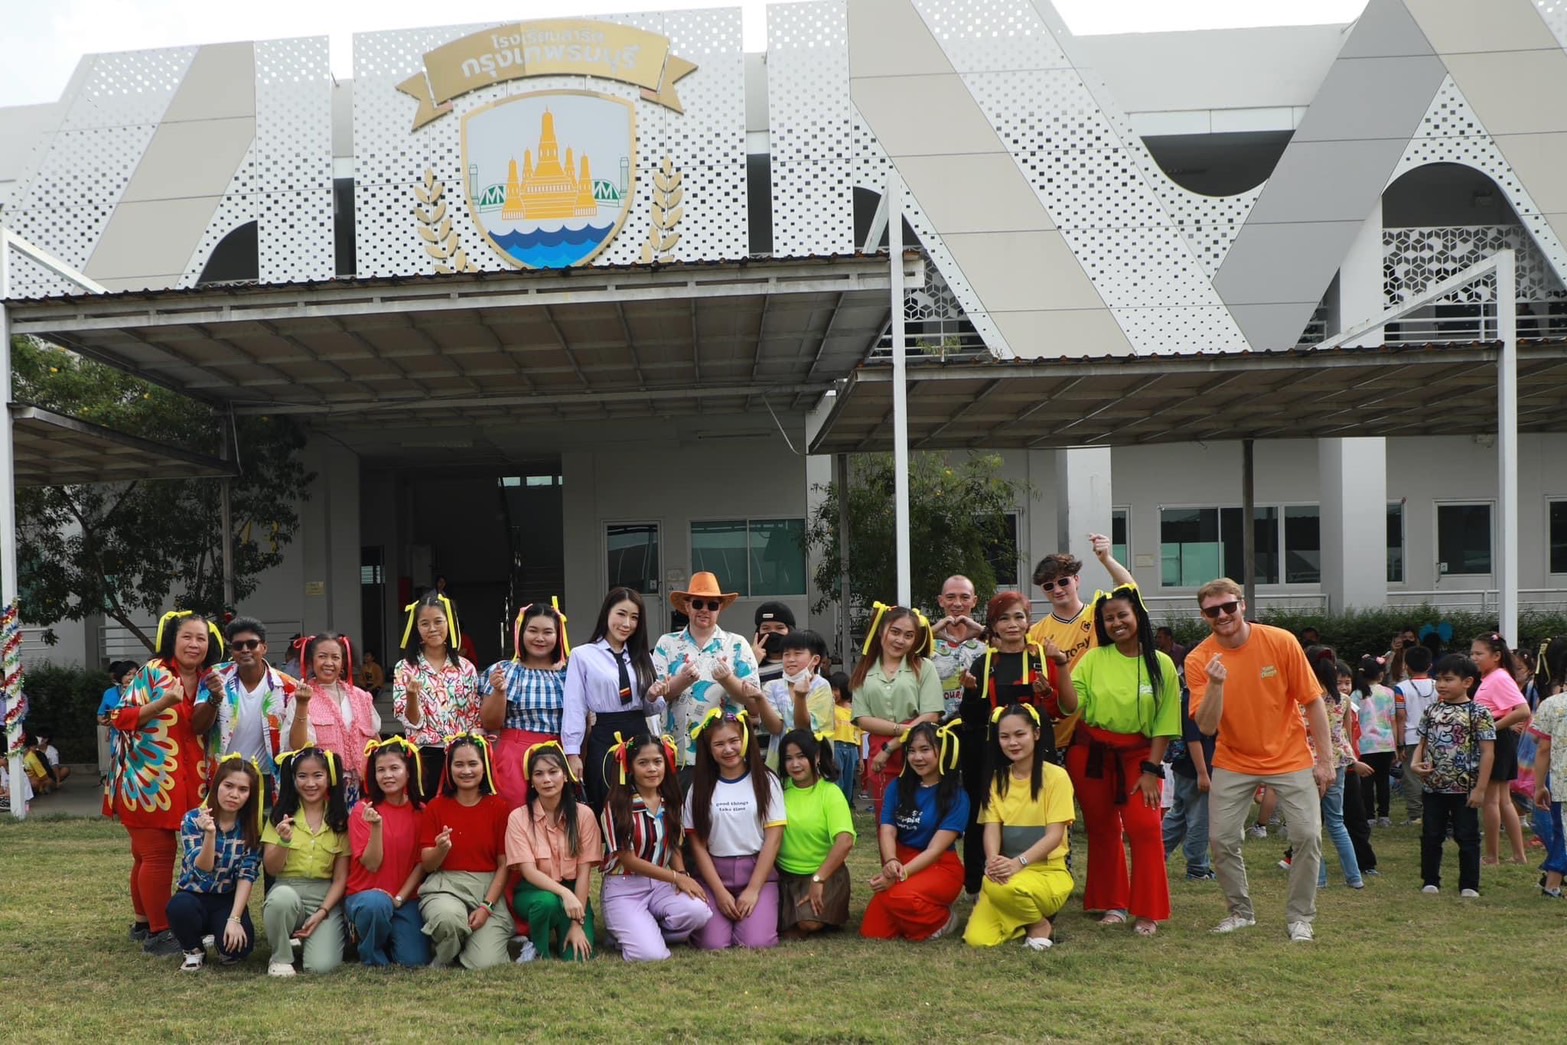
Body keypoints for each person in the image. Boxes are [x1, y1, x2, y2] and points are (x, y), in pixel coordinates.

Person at [1186, 579, 1334, 942]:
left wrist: (1325, 760)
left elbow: (1312, 701)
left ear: (1243, 605)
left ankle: (1300, 918)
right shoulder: (1199, 659)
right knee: (1221, 839)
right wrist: (1216, 685)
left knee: (1307, 835)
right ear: (1204, 616)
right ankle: (1240, 913)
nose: (1222, 615)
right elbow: (1206, 726)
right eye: (1213, 611)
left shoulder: (1280, 641)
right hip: (1233, 760)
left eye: (1228, 607)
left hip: (1290, 756)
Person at [109, 611, 224, 956]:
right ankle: (160, 933)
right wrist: (163, 702)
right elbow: (119, 718)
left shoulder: (208, 679)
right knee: (157, 856)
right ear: (173, 640)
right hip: (146, 783)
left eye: (201, 638)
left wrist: (214, 698)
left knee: (146, 857)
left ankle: (143, 922)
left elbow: (199, 728)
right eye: (187, 637)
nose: (194, 644)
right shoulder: (152, 672)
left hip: (190, 784)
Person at [1067, 586, 1180, 935]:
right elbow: (1071, 705)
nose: (1116, 623)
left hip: (1141, 756)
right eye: (1108, 618)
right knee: (1102, 828)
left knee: (1145, 827)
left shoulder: (1161, 663)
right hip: (1092, 753)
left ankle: (1148, 911)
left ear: (1137, 617)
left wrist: (1151, 769)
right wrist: (1058, 670)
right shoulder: (1093, 659)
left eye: (1122, 615)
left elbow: (1166, 722)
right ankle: (1112, 903)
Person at [954, 591, 1074, 896]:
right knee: (985, 812)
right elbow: (971, 716)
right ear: (993, 625)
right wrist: (971, 692)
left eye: (1018, 617)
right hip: (991, 749)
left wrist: (1046, 693)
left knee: (1041, 808)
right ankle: (979, 882)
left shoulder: (1041, 658)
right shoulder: (984, 663)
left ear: (1028, 621)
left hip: (1038, 747)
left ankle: (1049, 874)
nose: (1012, 624)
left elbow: (1062, 710)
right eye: (1004, 618)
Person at [965, 704, 1076, 950]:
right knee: (977, 940)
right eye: (1004, 737)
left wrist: (1018, 863)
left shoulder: (1056, 777)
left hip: (1048, 872)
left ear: (1036, 734)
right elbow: (991, 828)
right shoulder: (998, 779)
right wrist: (993, 861)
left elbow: (1055, 836)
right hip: (1008, 874)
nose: (1012, 743)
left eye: (1019, 734)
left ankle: (1039, 925)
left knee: (995, 886)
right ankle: (1026, 919)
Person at [598, 734, 712, 961]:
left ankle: (644, 929)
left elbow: (674, 845)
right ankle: (629, 933)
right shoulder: (617, 805)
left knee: (699, 912)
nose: (652, 769)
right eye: (643, 763)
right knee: (651, 955)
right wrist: (676, 878)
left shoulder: (671, 800)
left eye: (657, 762)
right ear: (630, 767)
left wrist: (681, 874)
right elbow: (628, 860)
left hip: (660, 885)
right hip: (624, 886)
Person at [684, 710, 786, 950]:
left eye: (734, 741)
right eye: (719, 744)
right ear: (709, 749)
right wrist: (719, 893)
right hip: (714, 875)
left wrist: (753, 890)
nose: (728, 749)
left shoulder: (766, 781)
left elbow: (773, 839)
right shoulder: (699, 787)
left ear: (746, 740)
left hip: (756, 872)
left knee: (755, 942)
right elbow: (697, 844)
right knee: (712, 944)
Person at [1026, 533, 1135, 753]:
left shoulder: (1100, 614)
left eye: (1063, 581)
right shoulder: (1036, 633)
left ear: (1076, 580)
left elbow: (1131, 592)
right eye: (1048, 586)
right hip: (1061, 733)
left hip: (1103, 725)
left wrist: (1106, 559)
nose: (1057, 590)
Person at [860, 720, 968, 942]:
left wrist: (899, 876)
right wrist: (891, 862)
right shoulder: (897, 787)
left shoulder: (957, 796)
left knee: (899, 896)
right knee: (874, 931)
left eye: (925, 750)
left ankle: (943, 919)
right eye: (911, 751)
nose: (917, 757)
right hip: (902, 861)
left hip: (940, 866)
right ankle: (914, 912)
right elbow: (887, 829)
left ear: (943, 751)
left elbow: (935, 850)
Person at [561, 587, 664, 811]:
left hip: (640, 735)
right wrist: (572, 753)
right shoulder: (583, 655)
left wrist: (653, 696)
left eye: (634, 617)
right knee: (607, 804)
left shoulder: (644, 656)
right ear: (607, 612)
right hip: (604, 736)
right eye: (621, 614)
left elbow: (652, 709)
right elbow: (574, 706)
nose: (627, 623)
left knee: (643, 803)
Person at [418, 734, 515, 969]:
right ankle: (447, 950)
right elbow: (428, 864)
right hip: (446, 887)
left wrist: (486, 907)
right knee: (447, 919)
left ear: (484, 767)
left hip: (487, 888)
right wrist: (440, 850)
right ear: (449, 768)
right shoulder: (436, 807)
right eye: (459, 764)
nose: (466, 771)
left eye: (473, 764)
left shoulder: (499, 808)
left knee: (484, 963)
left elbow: (504, 865)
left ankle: (465, 942)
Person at [653, 572, 762, 774]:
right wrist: (682, 681)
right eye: (698, 604)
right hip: (678, 756)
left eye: (712, 605)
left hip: (725, 758)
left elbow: (754, 704)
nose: (704, 610)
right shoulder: (666, 643)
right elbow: (655, 699)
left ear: (719, 608)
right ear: (687, 606)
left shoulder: (737, 644)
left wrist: (728, 680)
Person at [505, 741, 602, 961]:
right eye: (538, 774)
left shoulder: (584, 815)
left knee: (577, 957)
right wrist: (564, 894)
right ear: (531, 781)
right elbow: (529, 872)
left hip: (573, 889)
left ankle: (570, 926)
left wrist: (577, 924)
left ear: (565, 776)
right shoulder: (519, 818)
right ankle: (538, 949)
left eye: (553, 772)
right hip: (534, 891)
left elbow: (584, 873)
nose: (547, 779)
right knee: (547, 903)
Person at [1409, 655, 1495, 897]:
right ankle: (1430, 880)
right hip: (1433, 786)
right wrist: (1415, 763)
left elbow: (1488, 753)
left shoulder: (1479, 713)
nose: (1441, 685)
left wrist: (1480, 789)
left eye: (1448, 680)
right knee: (1431, 835)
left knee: (1467, 836)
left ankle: (1469, 884)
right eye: (1438, 680)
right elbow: (1422, 743)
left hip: (1465, 788)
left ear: (1467, 682)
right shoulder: (1432, 710)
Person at [167, 755, 263, 971]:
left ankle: (222, 939)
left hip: (226, 898)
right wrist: (210, 834)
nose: (234, 794)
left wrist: (235, 918)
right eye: (228, 786)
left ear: (250, 795)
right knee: (179, 908)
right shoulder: (193, 819)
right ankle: (193, 949)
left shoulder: (251, 827)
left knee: (239, 951)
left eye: (243, 790)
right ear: (216, 784)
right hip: (193, 894)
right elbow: (203, 869)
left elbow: (247, 874)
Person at [261, 746, 349, 976]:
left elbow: (340, 878)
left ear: (329, 777)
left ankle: (311, 939)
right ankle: (280, 957)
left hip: (324, 897)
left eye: (318, 775)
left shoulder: (339, 819)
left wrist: (323, 911)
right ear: (293, 779)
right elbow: (271, 868)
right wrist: (284, 841)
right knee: (280, 899)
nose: (310, 783)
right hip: (287, 889)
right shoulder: (280, 816)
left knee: (321, 967)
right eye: (302, 776)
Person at [851, 603, 943, 819]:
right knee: (887, 814)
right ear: (881, 630)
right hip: (879, 751)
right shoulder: (864, 670)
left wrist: (893, 744)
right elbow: (862, 718)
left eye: (909, 635)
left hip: (920, 746)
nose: (900, 640)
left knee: (921, 814)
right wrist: (902, 730)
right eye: (895, 632)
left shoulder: (924, 667)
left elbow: (932, 714)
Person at [345, 736, 430, 968]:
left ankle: (388, 935)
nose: (387, 775)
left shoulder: (421, 812)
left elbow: (421, 864)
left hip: (404, 898)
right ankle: (370, 950)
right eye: (380, 770)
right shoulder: (363, 810)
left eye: (394, 768)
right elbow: (372, 864)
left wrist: (400, 898)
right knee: (376, 905)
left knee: (414, 961)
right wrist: (377, 826)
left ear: (408, 772)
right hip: (367, 895)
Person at [480, 601, 570, 808]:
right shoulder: (505, 670)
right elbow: (490, 722)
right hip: (514, 757)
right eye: (533, 630)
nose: (540, 638)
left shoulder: (569, 674)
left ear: (558, 635)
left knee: (558, 818)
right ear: (521, 632)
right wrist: (499, 692)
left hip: (559, 756)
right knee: (515, 815)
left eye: (548, 632)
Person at [394, 591, 479, 801]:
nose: (432, 629)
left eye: (438, 621)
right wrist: (412, 696)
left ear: (449, 623)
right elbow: (412, 721)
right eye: (424, 623)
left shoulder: (466, 668)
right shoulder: (405, 668)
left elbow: (474, 717)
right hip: (424, 755)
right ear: (416, 627)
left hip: (461, 756)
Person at [775, 729, 856, 938]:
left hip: (824, 875)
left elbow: (845, 841)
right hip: (783, 876)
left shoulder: (830, 792)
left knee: (808, 923)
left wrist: (818, 879)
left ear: (817, 756)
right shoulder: (778, 790)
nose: (795, 764)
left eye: (801, 756)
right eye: (788, 758)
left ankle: (824, 916)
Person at [210, 616, 298, 799]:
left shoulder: (288, 687)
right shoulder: (215, 677)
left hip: (267, 779)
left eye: (252, 644)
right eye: (238, 645)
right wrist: (213, 698)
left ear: (264, 647)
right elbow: (198, 725)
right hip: (224, 776)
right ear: (231, 650)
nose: (245, 650)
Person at [289, 633, 381, 806]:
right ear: (311, 661)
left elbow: (376, 741)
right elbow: (297, 746)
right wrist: (302, 704)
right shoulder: (301, 696)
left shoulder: (362, 697)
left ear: (343, 662)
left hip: (361, 789)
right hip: (320, 791)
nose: (329, 663)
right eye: (322, 656)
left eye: (335, 657)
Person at [1301, 649, 1365, 891]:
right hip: (1336, 762)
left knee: (1311, 823)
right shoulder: (1345, 700)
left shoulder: (1301, 699)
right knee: (1337, 822)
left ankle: (1319, 879)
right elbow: (1347, 734)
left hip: (1307, 762)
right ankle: (1354, 877)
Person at [1471, 633, 1531, 866]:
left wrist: (1490, 729)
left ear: (1496, 656)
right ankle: (1518, 855)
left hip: (1496, 741)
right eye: (1472, 653)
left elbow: (1523, 710)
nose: (1474, 658)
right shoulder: (1492, 677)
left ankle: (1492, 857)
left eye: (1479, 653)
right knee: (1503, 800)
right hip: (1498, 739)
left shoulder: (1498, 678)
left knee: (1492, 800)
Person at [1163, 670, 1217, 882]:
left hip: (1185, 767)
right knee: (1199, 819)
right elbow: (1193, 739)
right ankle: (1197, 868)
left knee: (1179, 815)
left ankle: (1157, 853)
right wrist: (1203, 773)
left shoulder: (1187, 694)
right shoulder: (1194, 697)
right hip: (1197, 769)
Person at [757, 629, 834, 767]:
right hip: (779, 763)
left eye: (797, 653)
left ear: (815, 660)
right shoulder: (771, 686)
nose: (790, 659)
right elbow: (775, 728)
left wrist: (800, 697)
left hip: (812, 763)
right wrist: (760, 699)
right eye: (786, 654)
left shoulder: (821, 685)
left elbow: (804, 728)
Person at [1530, 681, 1567, 898]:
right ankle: (1552, 883)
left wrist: (1539, 785)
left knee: (1562, 832)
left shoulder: (1551, 704)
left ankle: (1552, 883)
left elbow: (1543, 747)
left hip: (1561, 780)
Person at [930, 574, 986, 718]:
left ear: (974, 601)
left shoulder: (987, 641)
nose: (957, 603)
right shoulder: (928, 642)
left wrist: (983, 632)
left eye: (965, 597)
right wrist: (930, 633)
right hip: (938, 724)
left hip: (978, 722)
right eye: (950, 597)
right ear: (941, 601)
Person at [1394, 645, 1438, 825]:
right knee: (1434, 773)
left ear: (1406, 667)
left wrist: (1400, 744)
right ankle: (1434, 810)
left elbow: (1400, 716)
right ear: (1430, 665)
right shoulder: (1439, 685)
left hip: (1411, 737)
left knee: (1411, 776)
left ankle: (1416, 814)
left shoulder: (1401, 688)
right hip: (1435, 737)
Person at [1354, 655, 1398, 827]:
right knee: (1383, 781)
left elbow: (1353, 721)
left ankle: (1369, 816)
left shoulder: (1356, 694)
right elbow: (1393, 720)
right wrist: (1396, 745)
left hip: (1365, 745)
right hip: (1386, 744)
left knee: (1366, 782)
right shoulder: (1389, 693)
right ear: (1381, 675)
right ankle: (1384, 815)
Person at [97, 660, 138, 786]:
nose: (131, 677)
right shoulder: (109, 693)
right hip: (117, 737)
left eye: (135, 674)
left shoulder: (142, 692)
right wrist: (103, 721)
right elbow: (100, 714)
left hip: (137, 736)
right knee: (119, 767)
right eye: (128, 674)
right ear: (120, 676)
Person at [829, 672, 862, 806]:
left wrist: (861, 758)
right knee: (837, 779)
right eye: (831, 689)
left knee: (849, 780)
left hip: (852, 748)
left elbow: (859, 734)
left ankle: (847, 805)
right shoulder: (831, 708)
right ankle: (837, 805)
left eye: (836, 689)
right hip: (836, 746)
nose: (833, 693)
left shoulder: (854, 709)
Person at [752, 600, 796, 690]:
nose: (772, 632)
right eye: (765, 628)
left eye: (779, 628)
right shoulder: (751, 664)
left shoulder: (802, 662)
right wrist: (751, 661)